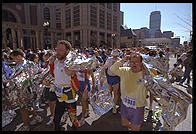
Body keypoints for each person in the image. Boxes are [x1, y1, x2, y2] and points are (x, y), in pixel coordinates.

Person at [110, 53, 148, 131]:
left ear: (141, 63)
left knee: (135, 128)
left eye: (136, 62)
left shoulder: (146, 74)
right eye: (132, 62)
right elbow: (112, 69)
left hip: (138, 106)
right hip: (125, 104)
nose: (134, 64)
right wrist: (123, 60)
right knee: (124, 123)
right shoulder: (125, 70)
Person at [49, 40, 80, 131]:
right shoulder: (56, 61)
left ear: (67, 51)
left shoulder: (71, 62)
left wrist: (72, 73)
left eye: (61, 50)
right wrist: (51, 64)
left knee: (73, 119)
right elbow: (54, 75)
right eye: (57, 49)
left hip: (69, 93)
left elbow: (74, 75)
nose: (57, 52)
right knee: (56, 119)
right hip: (59, 94)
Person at [9, 50, 43, 131]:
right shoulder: (26, 63)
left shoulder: (24, 65)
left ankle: (26, 125)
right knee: (27, 107)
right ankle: (37, 117)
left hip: (24, 90)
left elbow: (29, 77)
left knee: (23, 109)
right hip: (25, 89)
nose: (13, 60)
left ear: (18, 56)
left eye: (13, 58)